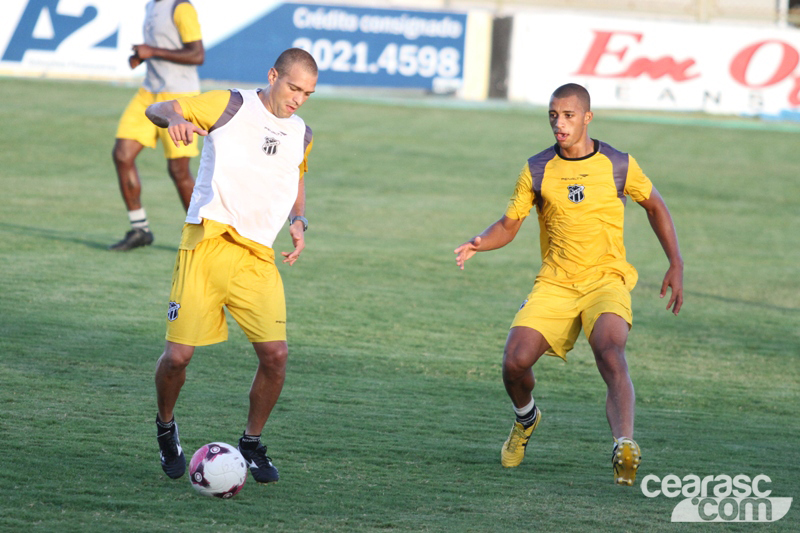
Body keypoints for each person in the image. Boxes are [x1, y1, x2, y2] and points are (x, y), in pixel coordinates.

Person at [454, 83, 683, 486]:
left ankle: (624, 444)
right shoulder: (538, 169)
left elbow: (655, 205)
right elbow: (509, 225)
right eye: (553, 116)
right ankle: (526, 419)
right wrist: (480, 242)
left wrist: (675, 262)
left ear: (587, 117)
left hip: (605, 280)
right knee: (514, 361)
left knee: (610, 350)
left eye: (569, 115)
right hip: (556, 282)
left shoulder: (618, 164)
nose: (559, 124)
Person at [144, 48, 318, 483]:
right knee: (178, 358)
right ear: (273, 74)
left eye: (308, 93)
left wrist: (298, 220)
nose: (298, 98)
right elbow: (157, 106)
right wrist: (177, 120)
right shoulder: (231, 104)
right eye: (293, 87)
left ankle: (251, 443)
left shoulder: (302, 132)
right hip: (206, 245)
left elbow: (296, 175)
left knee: (276, 356)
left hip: (257, 256)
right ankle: (166, 428)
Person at [110, 0, 205, 251]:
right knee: (122, 155)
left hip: (179, 100)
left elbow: (197, 54)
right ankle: (140, 229)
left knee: (178, 171)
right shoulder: (152, 5)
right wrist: (141, 56)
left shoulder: (181, 8)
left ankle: (204, 239)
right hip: (149, 93)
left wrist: (151, 51)